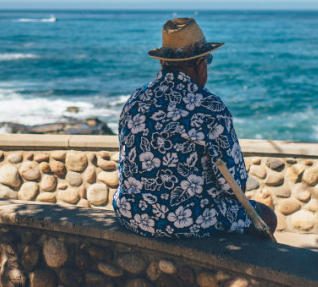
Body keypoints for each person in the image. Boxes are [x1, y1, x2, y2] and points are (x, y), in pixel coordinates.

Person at [112, 17, 277, 238]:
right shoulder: (210, 108)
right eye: (208, 60)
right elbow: (234, 186)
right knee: (267, 217)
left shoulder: (136, 99)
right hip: (188, 224)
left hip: (133, 216)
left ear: (163, 62)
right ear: (200, 64)